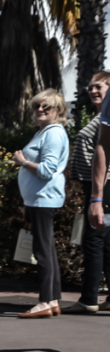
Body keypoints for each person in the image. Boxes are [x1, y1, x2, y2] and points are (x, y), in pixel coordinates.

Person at [15, 88, 70, 318]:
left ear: (57, 111)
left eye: (46, 107)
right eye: (37, 106)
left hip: (44, 198)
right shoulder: (44, 132)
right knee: (46, 249)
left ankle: (45, 301)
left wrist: (23, 161)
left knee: (43, 250)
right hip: (39, 198)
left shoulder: (53, 133)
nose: (39, 110)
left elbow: (47, 170)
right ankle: (53, 299)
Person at [70, 72, 110, 312]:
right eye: (90, 88)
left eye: (99, 87)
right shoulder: (100, 117)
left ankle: (89, 298)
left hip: (102, 188)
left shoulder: (102, 123)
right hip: (95, 187)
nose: (94, 91)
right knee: (104, 243)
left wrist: (98, 195)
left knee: (94, 241)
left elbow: (105, 150)